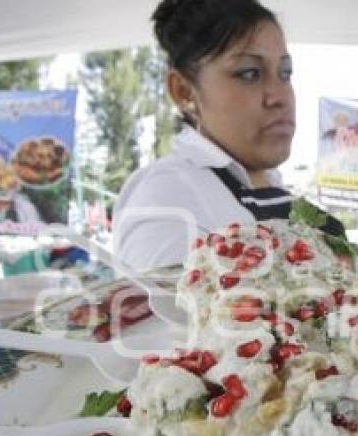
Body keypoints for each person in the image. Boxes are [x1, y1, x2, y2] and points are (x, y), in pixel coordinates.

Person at [113, 0, 344, 270]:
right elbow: (170, 308)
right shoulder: (166, 195)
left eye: (285, 73)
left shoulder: (275, 190)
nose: (280, 96)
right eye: (249, 74)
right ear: (184, 91)